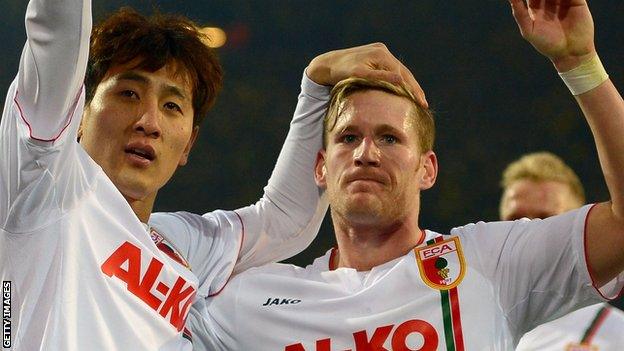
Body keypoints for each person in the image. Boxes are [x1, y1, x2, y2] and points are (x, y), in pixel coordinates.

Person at [186, 1, 624, 350]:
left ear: (427, 169)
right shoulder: (250, 303)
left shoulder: (491, 264)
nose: (366, 153)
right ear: (320, 166)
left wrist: (580, 63)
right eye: (348, 137)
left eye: (390, 139)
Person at [0, 0, 425, 350]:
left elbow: (282, 221)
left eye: (172, 106)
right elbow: (56, 28)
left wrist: (317, 82)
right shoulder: (45, 185)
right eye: (128, 93)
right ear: (77, 113)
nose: (149, 120)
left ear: (187, 144)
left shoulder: (182, 247)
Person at [498, 152, 624, 350]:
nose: (527, 229)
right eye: (515, 219)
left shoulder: (616, 334)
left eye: (546, 219)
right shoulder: (466, 316)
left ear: (583, 230)